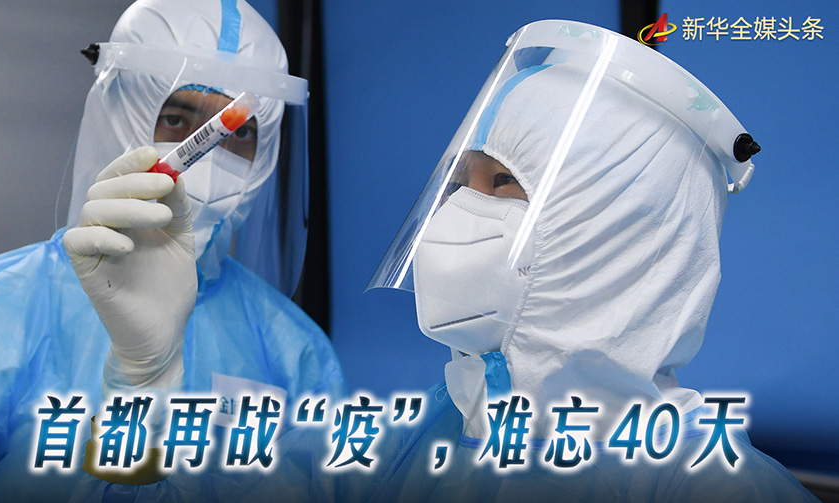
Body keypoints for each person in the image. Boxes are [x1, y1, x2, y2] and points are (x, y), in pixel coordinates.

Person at [249, 20, 817, 502]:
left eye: (502, 182)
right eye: (459, 183)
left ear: (616, 234)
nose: (459, 212)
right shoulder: (421, 437)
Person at [0, 1, 344, 501]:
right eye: (176, 119)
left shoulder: (295, 351)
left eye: (238, 132)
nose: (207, 163)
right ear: (116, 116)